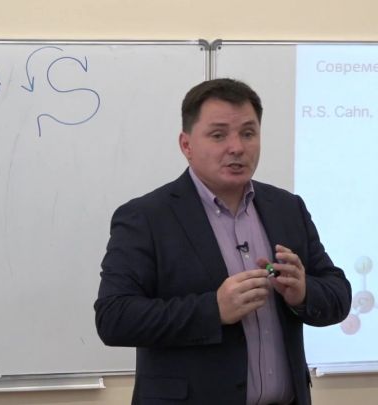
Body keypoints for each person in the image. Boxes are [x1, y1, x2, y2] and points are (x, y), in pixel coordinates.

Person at [95, 78, 351, 404]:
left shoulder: (287, 208)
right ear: (186, 145)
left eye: (248, 133)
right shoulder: (146, 218)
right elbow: (114, 317)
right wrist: (213, 310)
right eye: (218, 135)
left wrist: (303, 293)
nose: (237, 147)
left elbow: (338, 294)